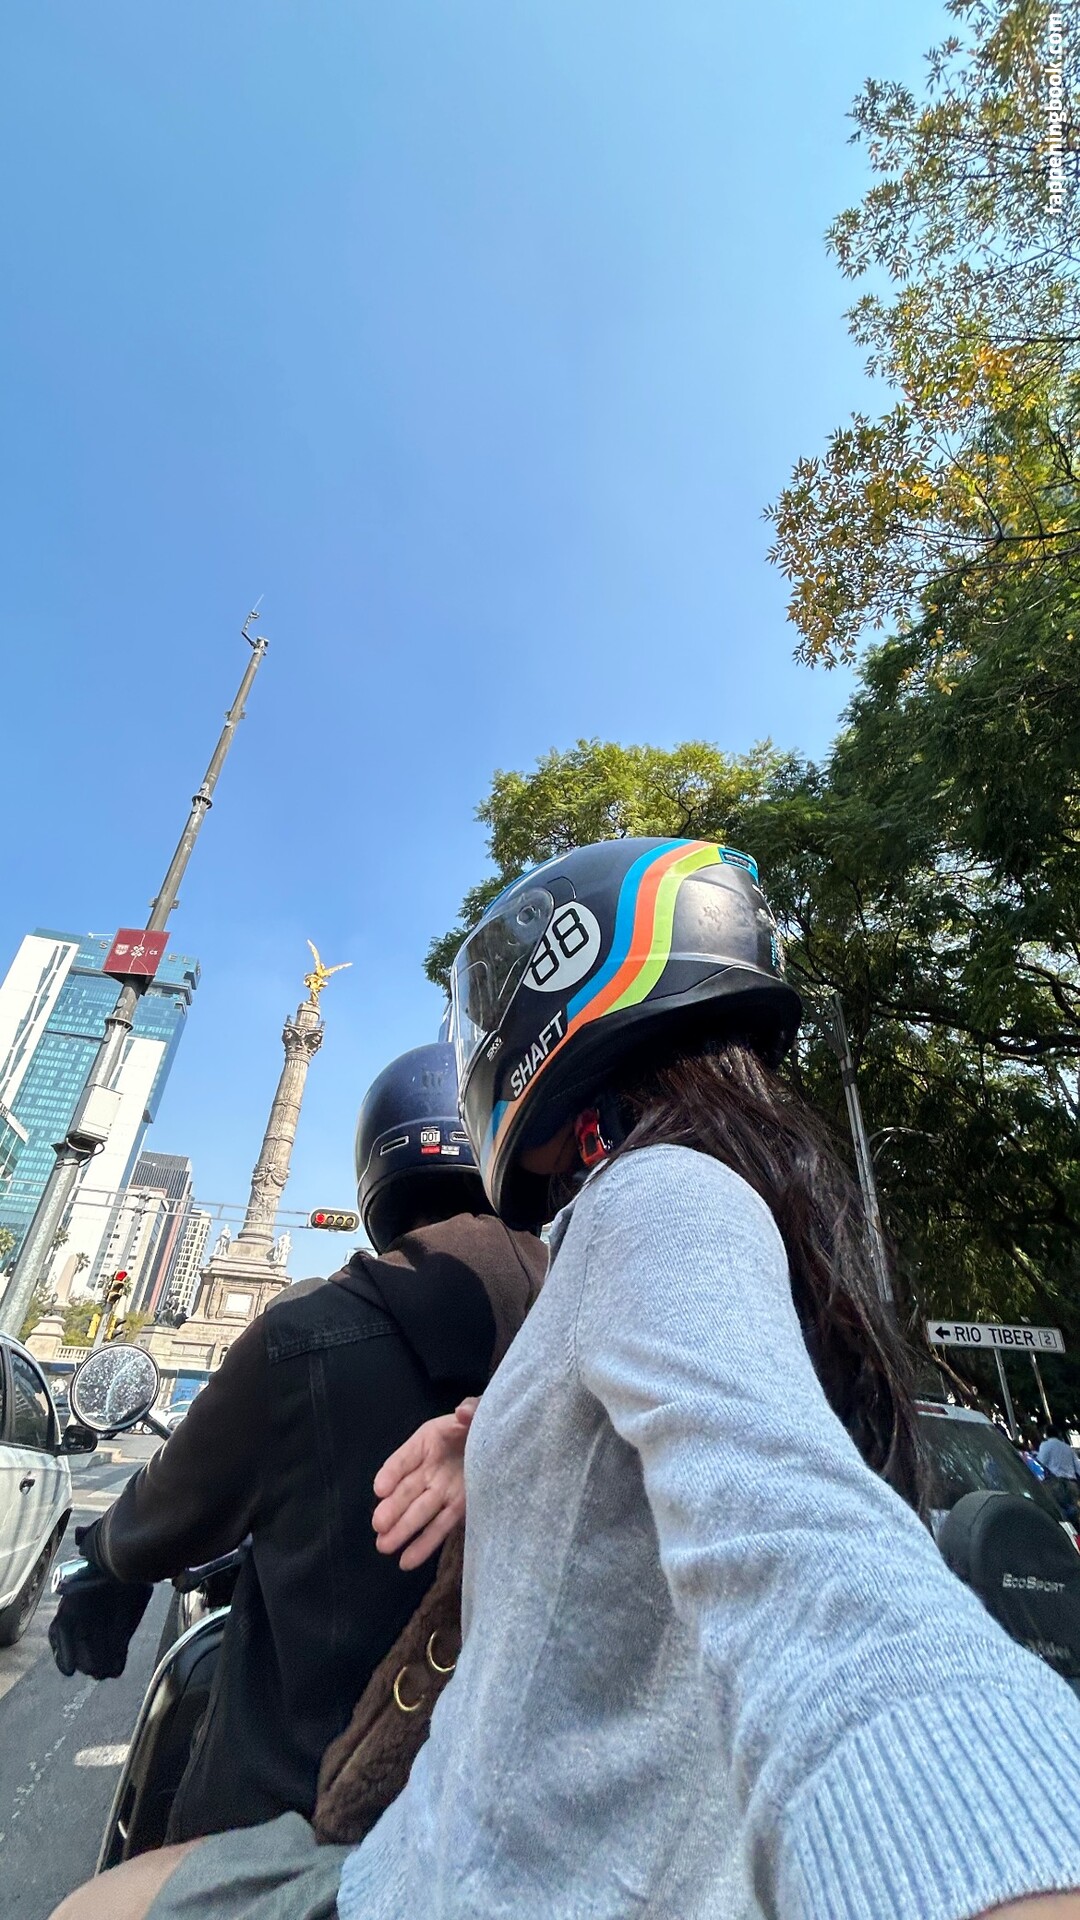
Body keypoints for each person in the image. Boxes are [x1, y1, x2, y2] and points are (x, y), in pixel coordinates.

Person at [51, 839, 1080, 1920]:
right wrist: (502, 1439)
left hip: (475, 1884)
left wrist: (993, 1840)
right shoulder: (684, 1223)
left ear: (561, 990)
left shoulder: (655, 1195)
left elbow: (798, 1541)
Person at [48, 1041, 545, 1842]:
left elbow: (168, 1507)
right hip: (534, 1830)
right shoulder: (597, 1339)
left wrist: (107, 1557)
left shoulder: (302, 1336)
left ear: (377, 1171)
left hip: (295, 1827)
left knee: (96, 1902)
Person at [1038, 1428, 1080, 1525]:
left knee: (1059, 1514)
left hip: (1054, 1483)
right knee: (1075, 1513)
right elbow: (1078, 1467)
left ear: (1046, 1434)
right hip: (1071, 1483)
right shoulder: (1067, 1447)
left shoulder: (1045, 1445)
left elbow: (1041, 1462)